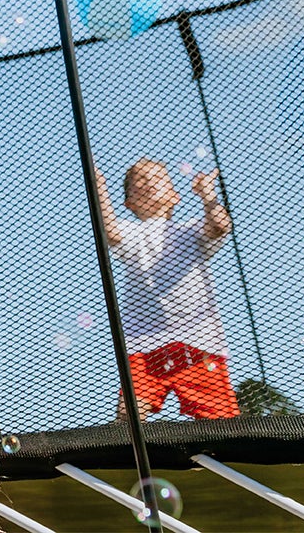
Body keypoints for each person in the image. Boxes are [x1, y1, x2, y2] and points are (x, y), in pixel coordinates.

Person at [99, 158, 238, 420]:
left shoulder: (191, 231)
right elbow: (111, 232)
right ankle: (132, 458)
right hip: (144, 345)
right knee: (129, 416)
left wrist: (208, 197)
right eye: (139, 181)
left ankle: (219, 458)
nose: (149, 182)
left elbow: (220, 226)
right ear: (129, 204)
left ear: (175, 196)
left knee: (221, 425)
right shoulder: (133, 233)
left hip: (199, 344)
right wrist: (100, 189)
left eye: (158, 178)